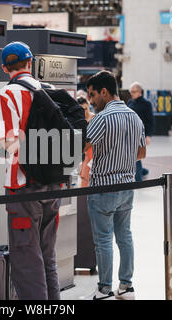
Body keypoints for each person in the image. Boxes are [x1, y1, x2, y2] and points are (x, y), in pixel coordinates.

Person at [0, 41, 62, 300]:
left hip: (22, 186)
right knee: (47, 256)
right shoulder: (49, 90)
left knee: (26, 259)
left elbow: (12, 143)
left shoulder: (8, 94)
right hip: (54, 184)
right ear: (30, 62)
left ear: (4, 67)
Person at [84, 70, 146, 300]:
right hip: (127, 186)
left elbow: (83, 148)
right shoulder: (134, 116)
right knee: (125, 236)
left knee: (103, 240)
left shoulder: (101, 118)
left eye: (92, 95)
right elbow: (141, 153)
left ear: (104, 92)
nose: (91, 101)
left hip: (102, 187)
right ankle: (126, 286)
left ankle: (104, 288)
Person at [74, 96, 97, 274]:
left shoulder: (96, 121)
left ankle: (90, 259)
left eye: (85, 109)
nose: (84, 112)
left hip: (92, 171)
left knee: (91, 217)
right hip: (82, 171)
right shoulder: (76, 122)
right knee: (81, 215)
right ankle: (82, 258)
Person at [128, 82, 154, 182]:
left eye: (134, 92)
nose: (132, 94)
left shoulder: (146, 104)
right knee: (132, 156)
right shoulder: (130, 102)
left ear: (140, 92)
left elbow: (150, 120)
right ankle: (143, 171)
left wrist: (148, 135)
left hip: (140, 134)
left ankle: (139, 180)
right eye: (131, 92)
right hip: (129, 133)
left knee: (135, 156)